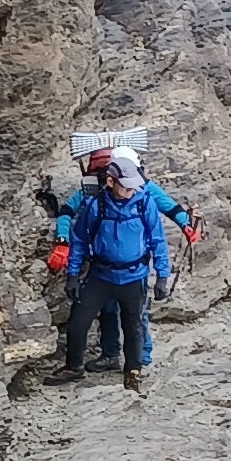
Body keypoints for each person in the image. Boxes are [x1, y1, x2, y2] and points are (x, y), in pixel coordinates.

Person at [47, 148, 199, 365]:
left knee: (133, 315)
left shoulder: (133, 189)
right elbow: (170, 208)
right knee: (116, 312)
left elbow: (168, 211)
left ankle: (135, 356)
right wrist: (63, 242)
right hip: (103, 266)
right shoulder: (97, 191)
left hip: (127, 268)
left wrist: (186, 224)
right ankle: (117, 355)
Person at [63, 147, 170, 390]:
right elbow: (79, 241)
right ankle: (73, 368)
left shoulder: (144, 203)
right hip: (101, 275)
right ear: (110, 181)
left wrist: (162, 276)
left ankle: (133, 371)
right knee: (78, 323)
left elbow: (157, 241)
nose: (131, 190)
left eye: (134, 185)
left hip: (134, 277)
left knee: (133, 327)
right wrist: (72, 275)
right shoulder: (95, 205)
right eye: (126, 186)